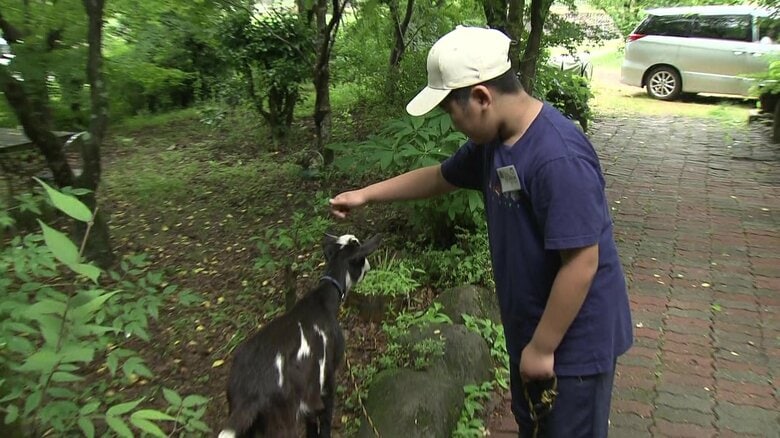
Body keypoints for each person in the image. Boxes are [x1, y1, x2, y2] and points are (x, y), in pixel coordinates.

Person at [329, 25, 633, 437]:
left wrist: (543, 348)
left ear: (481, 98)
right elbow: (441, 176)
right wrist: (366, 195)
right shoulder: (496, 140)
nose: (452, 125)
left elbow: (582, 262)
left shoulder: (557, 157)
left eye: (450, 113)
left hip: (573, 344)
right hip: (533, 331)